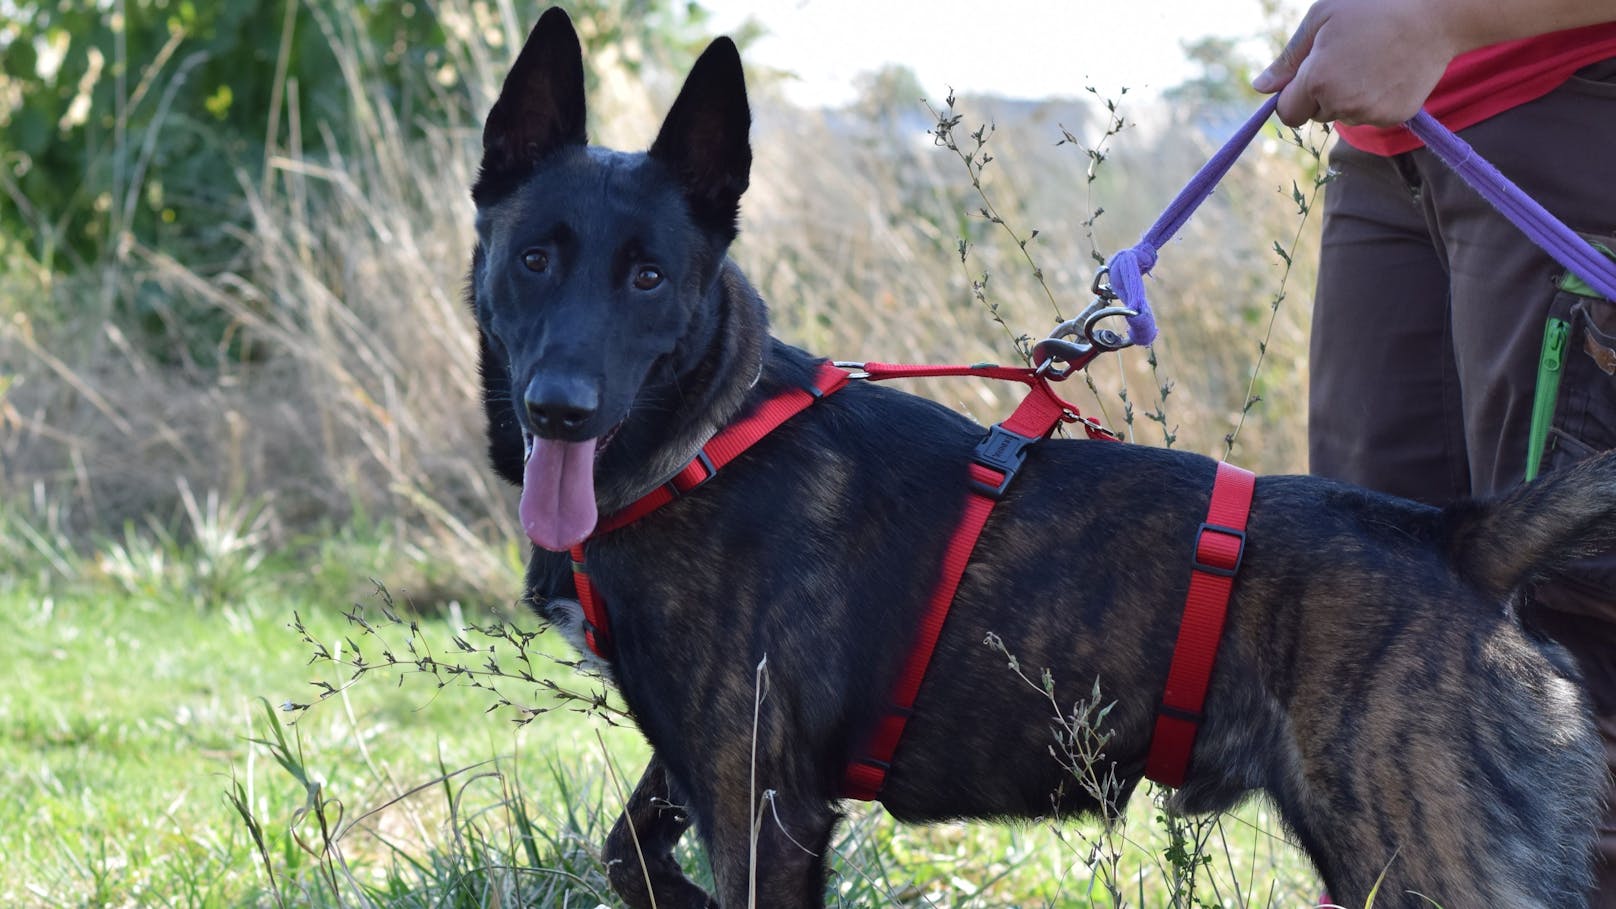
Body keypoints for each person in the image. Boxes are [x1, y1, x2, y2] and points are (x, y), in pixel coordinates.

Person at [1252, 0, 1616, 903]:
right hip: (1387, 146)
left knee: (1578, 637)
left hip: (1572, 108)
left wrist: (1444, 20)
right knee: (1365, 615)